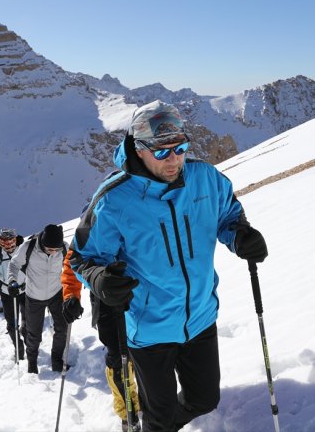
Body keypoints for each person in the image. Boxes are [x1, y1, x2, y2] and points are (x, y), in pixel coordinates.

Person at [70, 100, 268, 432]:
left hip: (201, 317)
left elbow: (229, 216)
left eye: (180, 148)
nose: (174, 158)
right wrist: (100, 280)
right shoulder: (113, 200)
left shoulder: (206, 179)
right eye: (162, 152)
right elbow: (81, 257)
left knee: (204, 400)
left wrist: (241, 237)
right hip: (149, 330)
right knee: (158, 418)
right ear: (139, 149)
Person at [62, 246, 141, 432]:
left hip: (142, 297)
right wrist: (71, 295)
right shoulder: (91, 221)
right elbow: (73, 260)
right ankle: (128, 412)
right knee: (118, 358)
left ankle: (147, 400)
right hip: (106, 301)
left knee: (143, 352)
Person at [7, 224, 68, 374]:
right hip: (34, 296)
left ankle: (57, 360)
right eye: (49, 249)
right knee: (33, 334)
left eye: (56, 250)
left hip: (56, 293)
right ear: (42, 242)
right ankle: (32, 363)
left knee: (62, 328)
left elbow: (72, 267)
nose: (53, 253)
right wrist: (12, 281)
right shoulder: (29, 247)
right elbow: (14, 264)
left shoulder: (64, 248)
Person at [0, 227, 27, 359]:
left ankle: (28, 341)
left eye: (10, 242)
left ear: (15, 240)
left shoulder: (23, 249)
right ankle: (18, 347)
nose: (8, 246)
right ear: (0, 242)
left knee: (28, 321)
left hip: (25, 290)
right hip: (6, 292)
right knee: (11, 324)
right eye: (4, 243)